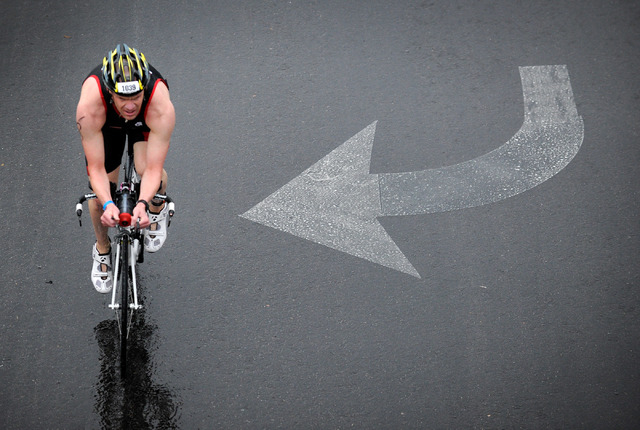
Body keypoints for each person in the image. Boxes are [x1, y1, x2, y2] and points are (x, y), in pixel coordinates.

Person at [76, 43, 175, 293]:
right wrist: (108, 204)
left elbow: (153, 169)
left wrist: (142, 203)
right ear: (110, 92)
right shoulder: (90, 107)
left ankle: (158, 207)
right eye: (122, 98)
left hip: (145, 121)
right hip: (107, 123)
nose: (130, 106)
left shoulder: (159, 103)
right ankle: (102, 249)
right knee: (98, 196)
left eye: (135, 97)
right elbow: (96, 169)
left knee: (144, 168)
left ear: (145, 89)